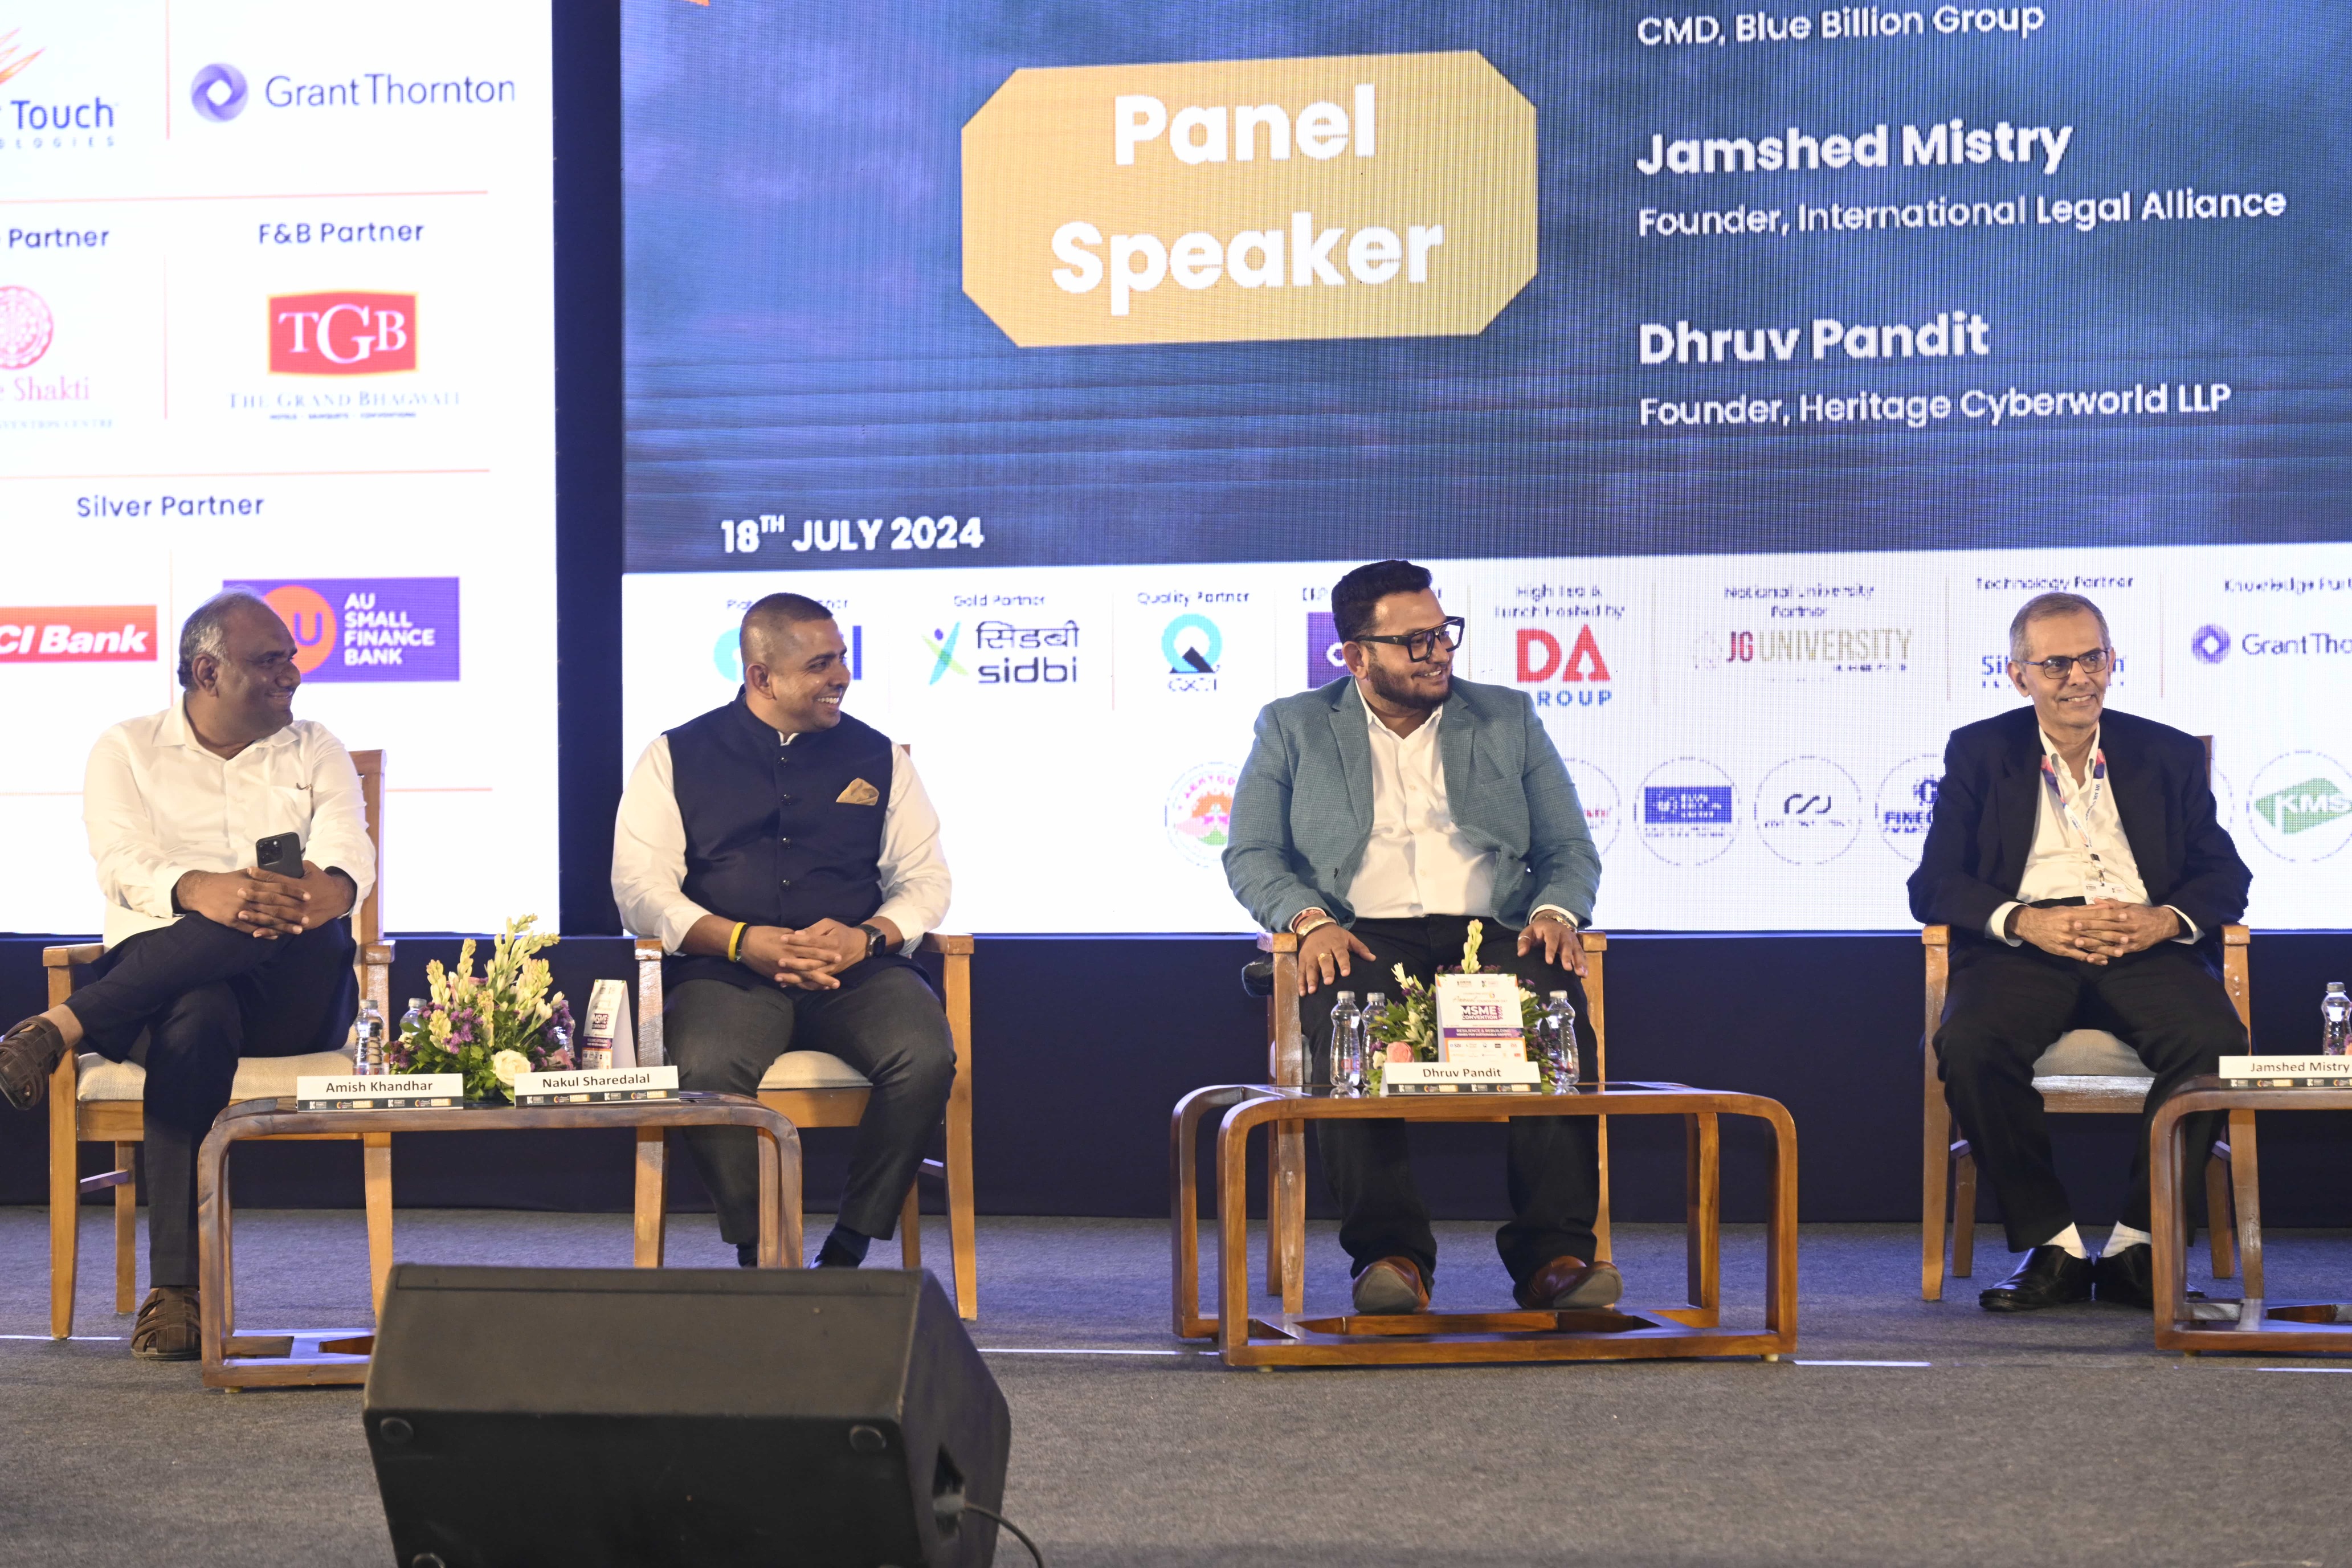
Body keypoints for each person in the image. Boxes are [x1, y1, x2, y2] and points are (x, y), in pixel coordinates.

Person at [1224, 559, 1611, 1315]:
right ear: (1356, 656)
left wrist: (1557, 913)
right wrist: (1308, 921)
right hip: (1360, 931)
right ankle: (1391, 1257)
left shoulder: (1506, 716)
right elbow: (1252, 854)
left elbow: (1569, 848)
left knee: (1552, 1005)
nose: (1438, 653)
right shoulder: (1293, 726)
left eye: (1443, 633)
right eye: (1415, 642)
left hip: (1497, 930)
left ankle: (1555, 1258)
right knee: (1345, 1010)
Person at [0, 591, 375, 1361]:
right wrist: (199, 888)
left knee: (262, 913)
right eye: (270, 660)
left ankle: (62, 1026)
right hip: (164, 995)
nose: (293, 674)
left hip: (293, 992)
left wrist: (311, 893)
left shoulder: (315, 746)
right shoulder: (126, 748)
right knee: (198, 1009)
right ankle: (180, 1293)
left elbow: (348, 856)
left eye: (292, 658)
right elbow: (120, 862)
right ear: (208, 672)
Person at [1912, 591, 2251, 1312]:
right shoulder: (1980, 752)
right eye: (2057, 664)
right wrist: (2024, 921)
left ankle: (2141, 1246)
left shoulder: (2165, 753)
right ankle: (2054, 1247)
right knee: (1968, 1043)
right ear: (2019, 676)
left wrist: (2162, 921)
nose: (2079, 677)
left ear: (2112, 660)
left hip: (2142, 942)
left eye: (2092, 658)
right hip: (2027, 947)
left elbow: (2226, 876)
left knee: (2217, 1040)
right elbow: (1934, 883)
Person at [612, 592, 953, 1270]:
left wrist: (869, 936)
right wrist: (740, 940)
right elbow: (641, 892)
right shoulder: (674, 755)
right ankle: (762, 1248)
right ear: (762, 677)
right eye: (821, 664)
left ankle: (851, 1244)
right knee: (705, 1062)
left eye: (842, 659)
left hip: (856, 970)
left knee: (924, 1054)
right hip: (726, 972)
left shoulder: (880, 756)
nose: (842, 676)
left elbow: (926, 881)